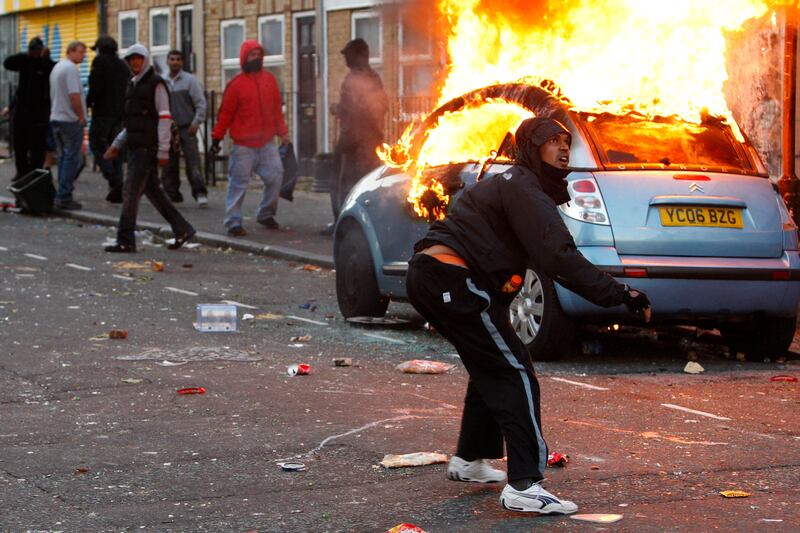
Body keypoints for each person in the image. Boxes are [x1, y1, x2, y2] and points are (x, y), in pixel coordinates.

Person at [405, 117, 652, 514]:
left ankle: (469, 460)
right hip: (452, 278)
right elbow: (559, 258)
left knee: (493, 360)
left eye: (565, 141)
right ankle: (524, 485)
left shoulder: (513, 183)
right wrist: (619, 294)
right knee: (513, 370)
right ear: (531, 148)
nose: (563, 148)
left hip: (437, 277)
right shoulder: (524, 187)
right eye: (551, 141)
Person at [103, 44, 195, 253]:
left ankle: (125, 239)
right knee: (153, 191)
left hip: (147, 148)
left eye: (139, 59)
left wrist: (163, 150)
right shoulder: (132, 84)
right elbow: (131, 123)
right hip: (136, 146)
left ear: (146, 60)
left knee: (130, 193)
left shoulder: (156, 84)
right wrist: (117, 145)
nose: (135, 63)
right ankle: (182, 229)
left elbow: (164, 117)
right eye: (131, 59)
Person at [210, 40, 288, 237]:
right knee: (238, 184)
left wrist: (283, 133)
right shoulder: (235, 85)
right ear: (244, 58)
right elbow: (225, 115)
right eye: (252, 55)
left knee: (276, 176)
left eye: (258, 54)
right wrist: (216, 138)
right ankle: (233, 222)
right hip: (243, 145)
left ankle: (265, 213)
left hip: (267, 143)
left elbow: (276, 111)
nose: (256, 58)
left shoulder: (270, 80)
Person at [324, 38, 388, 235]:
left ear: (357, 55)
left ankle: (341, 223)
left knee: (342, 183)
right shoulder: (374, 78)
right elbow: (382, 106)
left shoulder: (354, 79)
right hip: (371, 142)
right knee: (366, 184)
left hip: (351, 141)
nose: (345, 59)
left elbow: (353, 108)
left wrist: (338, 109)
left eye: (348, 55)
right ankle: (365, 225)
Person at [161, 49, 208, 207]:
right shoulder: (162, 81)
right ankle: (172, 193)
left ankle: (200, 192)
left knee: (192, 161)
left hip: (187, 127)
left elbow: (200, 103)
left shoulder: (190, 80)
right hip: (169, 128)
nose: (175, 62)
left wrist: (196, 122)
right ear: (167, 61)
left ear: (182, 62)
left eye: (178, 59)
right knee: (169, 163)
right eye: (172, 59)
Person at [3, 37, 55, 179]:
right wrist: (25, 55)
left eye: (37, 50)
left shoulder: (46, 65)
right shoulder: (24, 62)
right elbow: (7, 63)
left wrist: (43, 58)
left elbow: (54, 69)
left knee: (37, 147)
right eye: (32, 50)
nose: (34, 53)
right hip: (22, 114)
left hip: (39, 115)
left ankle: (34, 173)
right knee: (20, 146)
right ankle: (22, 172)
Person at [87, 35, 130, 203]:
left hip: (102, 112)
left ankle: (111, 176)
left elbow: (95, 86)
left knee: (96, 143)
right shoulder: (122, 65)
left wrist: (89, 101)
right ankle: (117, 182)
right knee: (116, 147)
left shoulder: (99, 63)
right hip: (119, 113)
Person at [49, 41, 88, 210]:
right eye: (81, 52)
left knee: (64, 158)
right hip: (69, 119)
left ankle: (61, 194)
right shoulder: (71, 69)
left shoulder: (57, 67)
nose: (84, 55)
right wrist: (81, 117)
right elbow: (74, 96)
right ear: (71, 51)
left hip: (56, 117)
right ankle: (64, 195)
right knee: (73, 158)